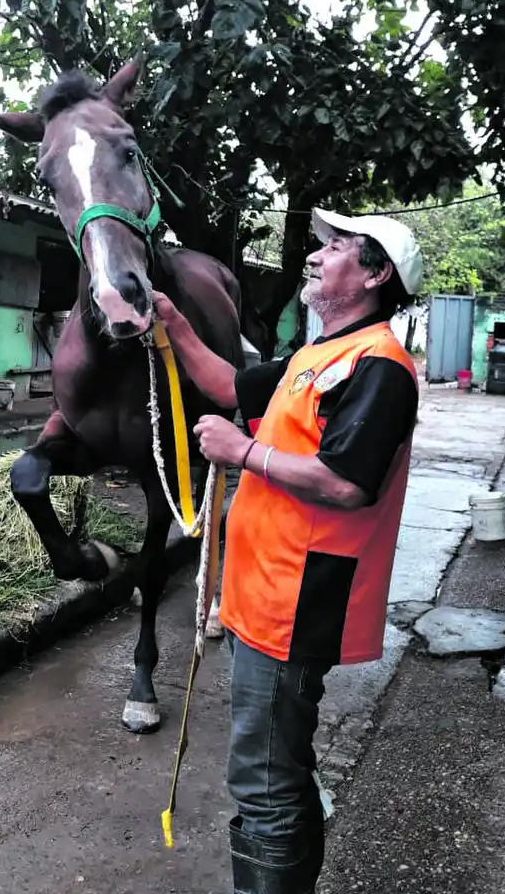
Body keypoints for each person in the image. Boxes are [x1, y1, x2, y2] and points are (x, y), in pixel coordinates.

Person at [153, 207, 423, 894]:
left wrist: (243, 452)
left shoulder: (379, 366)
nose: (317, 253)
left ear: (373, 274)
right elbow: (227, 386)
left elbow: (345, 482)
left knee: (265, 779)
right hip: (261, 598)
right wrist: (173, 322)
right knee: (272, 766)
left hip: (298, 605)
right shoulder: (314, 357)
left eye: (337, 247)